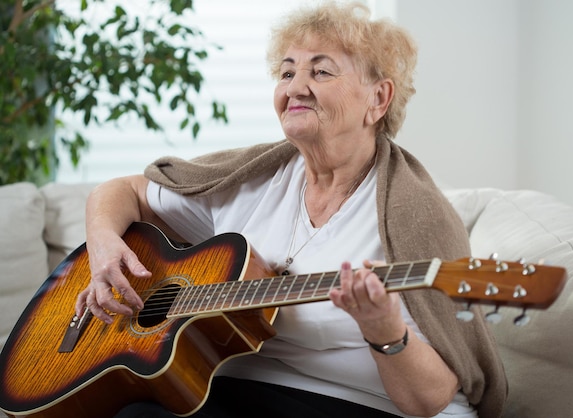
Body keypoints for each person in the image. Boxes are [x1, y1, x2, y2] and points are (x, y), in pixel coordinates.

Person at [75, 2, 507, 417]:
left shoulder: (416, 217)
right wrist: (104, 249)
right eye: (286, 72)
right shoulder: (250, 179)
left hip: (364, 403)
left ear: (378, 99)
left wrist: (384, 330)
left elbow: (429, 399)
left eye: (320, 71)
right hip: (243, 388)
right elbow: (122, 190)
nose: (295, 87)